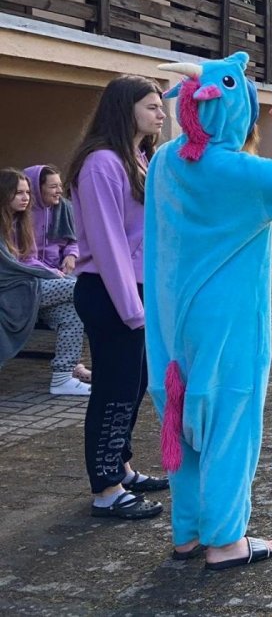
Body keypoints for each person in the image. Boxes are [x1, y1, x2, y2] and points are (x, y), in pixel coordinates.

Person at [145, 53, 272, 569]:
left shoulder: (164, 161)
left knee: (180, 416)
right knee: (229, 422)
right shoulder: (239, 172)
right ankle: (226, 540)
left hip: (169, 317)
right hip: (227, 320)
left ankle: (188, 533)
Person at [63, 74, 169, 520]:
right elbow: (108, 245)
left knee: (133, 385)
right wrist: (132, 310)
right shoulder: (101, 163)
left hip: (135, 292)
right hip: (111, 293)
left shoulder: (137, 158)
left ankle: (121, 468)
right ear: (126, 109)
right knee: (113, 391)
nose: (161, 114)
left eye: (161, 105)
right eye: (152, 106)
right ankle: (106, 489)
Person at [0, 169, 91, 395]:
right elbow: (9, 267)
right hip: (12, 290)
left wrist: (52, 271)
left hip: (30, 286)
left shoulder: (21, 221)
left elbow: (28, 258)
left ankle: (63, 377)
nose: (25, 197)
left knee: (71, 311)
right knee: (80, 288)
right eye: (18, 193)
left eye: (27, 192)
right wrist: (51, 274)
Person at [23, 164, 91, 382]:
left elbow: (74, 241)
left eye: (60, 186)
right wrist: (52, 272)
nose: (59, 191)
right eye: (53, 187)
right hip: (29, 284)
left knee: (72, 313)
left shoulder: (63, 209)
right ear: (37, 188)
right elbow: (21, 258)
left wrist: (71, 255)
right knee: (85, 289)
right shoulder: (20, 217)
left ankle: (65, 372)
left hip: (56, 282)